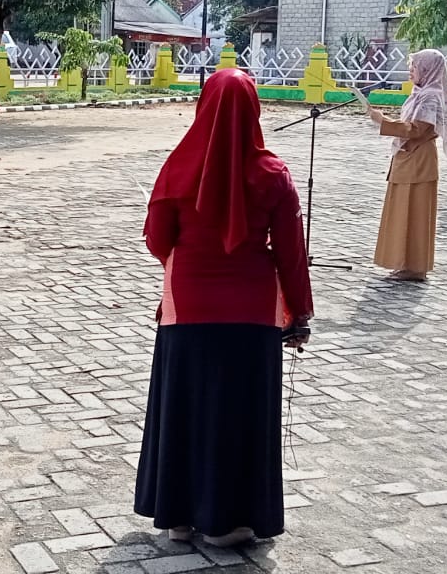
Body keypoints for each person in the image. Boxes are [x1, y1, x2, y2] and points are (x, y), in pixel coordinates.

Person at [136, 68, 314, 549]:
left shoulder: (177, 167)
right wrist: (299, 313)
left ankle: (177, 516)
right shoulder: (274, 173)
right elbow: (292, 253)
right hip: (252, 310)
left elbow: (157, 240)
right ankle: (229, 521)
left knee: (184, 405)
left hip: (188, 303)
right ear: (254, 107)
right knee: (240, 411)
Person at [368, 49, 447, 282]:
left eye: (415, 67)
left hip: (419, 160)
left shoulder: (430, 96)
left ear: (427, 70)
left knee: (416, 214)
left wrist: (383, 121)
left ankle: (415, 266)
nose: (411, 71)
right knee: (402, 212)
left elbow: (416, 129)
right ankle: (404, 262)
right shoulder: (420, 93)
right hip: (408, 158)